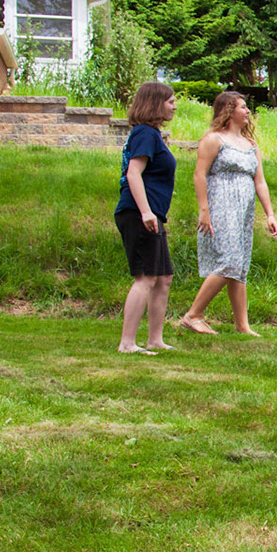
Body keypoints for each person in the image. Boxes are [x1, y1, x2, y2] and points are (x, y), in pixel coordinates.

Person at [177, 91, 277, 336]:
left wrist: (269, 214)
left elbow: (260, 182)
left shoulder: (251, 145)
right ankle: (193, 315)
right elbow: (199, 174)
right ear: (228, 111)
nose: (248, 111)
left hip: (243, 210)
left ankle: (242, 325)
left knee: (240, 265)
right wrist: (204, 210)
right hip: (221, 205)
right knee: (229, 261)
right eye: (243, 107)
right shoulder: (214, 139)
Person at [116, 82, 180, 355]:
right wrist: (145, 211)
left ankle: (155, 339)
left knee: (163, 277)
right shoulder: (145, 133)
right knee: (145, 277)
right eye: (171, 101)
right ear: (155, 103)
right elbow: (133, 173)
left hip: (150, 214)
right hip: (138, 213)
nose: (175, 106)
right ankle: (127, 343)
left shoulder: (151, 134)